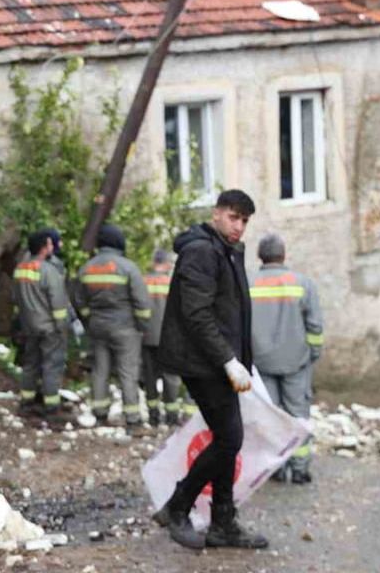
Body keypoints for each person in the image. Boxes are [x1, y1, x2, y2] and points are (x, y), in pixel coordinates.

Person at [152, 189, 268, 550]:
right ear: (217, 213)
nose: (239, 227)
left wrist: (240, 359)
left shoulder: (225, 249)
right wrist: (228, 360)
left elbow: (228, 312)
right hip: (203, 362)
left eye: (245, 221)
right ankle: (177, 506)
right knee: (229, 438)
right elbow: (197, 314)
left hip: (217, 361)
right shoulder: (202, 250)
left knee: (228, 439)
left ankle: (222, 523)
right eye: (233, 217)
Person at [249, 233, 323, 484]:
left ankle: (276, 469)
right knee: (298, 414)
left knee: (271, 418)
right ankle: (300, 469)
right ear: (283, 255)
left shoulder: (247, 283)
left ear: (260, 256)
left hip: (261, 363)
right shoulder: (303, 283)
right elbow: (314, 327)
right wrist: (312, 356)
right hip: (296, 362)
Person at [73, 224, 152, 428]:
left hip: (98, 327)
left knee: (100, 370)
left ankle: (99, 413)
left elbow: (79, 299)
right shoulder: (128, 267)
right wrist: (143, 326)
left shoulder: (86, 268)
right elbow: (142, 303)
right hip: (125, 328)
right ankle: (132, 418)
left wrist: (90, 319)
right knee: (128, 371)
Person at [12, 229, 71, 420]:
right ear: (44, 248)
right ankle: (51, 408)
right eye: (50, 244)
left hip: (29, 327)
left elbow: (15, 298)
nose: (53, 247)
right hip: (49, 328)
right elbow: (59, 305)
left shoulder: (21, 269)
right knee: (51, 366)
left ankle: (26, 404)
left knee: (30, 365)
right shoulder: (49, 271)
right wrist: (63, 328)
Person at [140, 249, 182, 426]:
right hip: (169, 338)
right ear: (165, 263)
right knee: (171, 377)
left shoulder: (142, 281)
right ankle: (172, 417)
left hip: (146, 337)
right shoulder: (174, 283)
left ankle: (153, 416)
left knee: (149, 378)